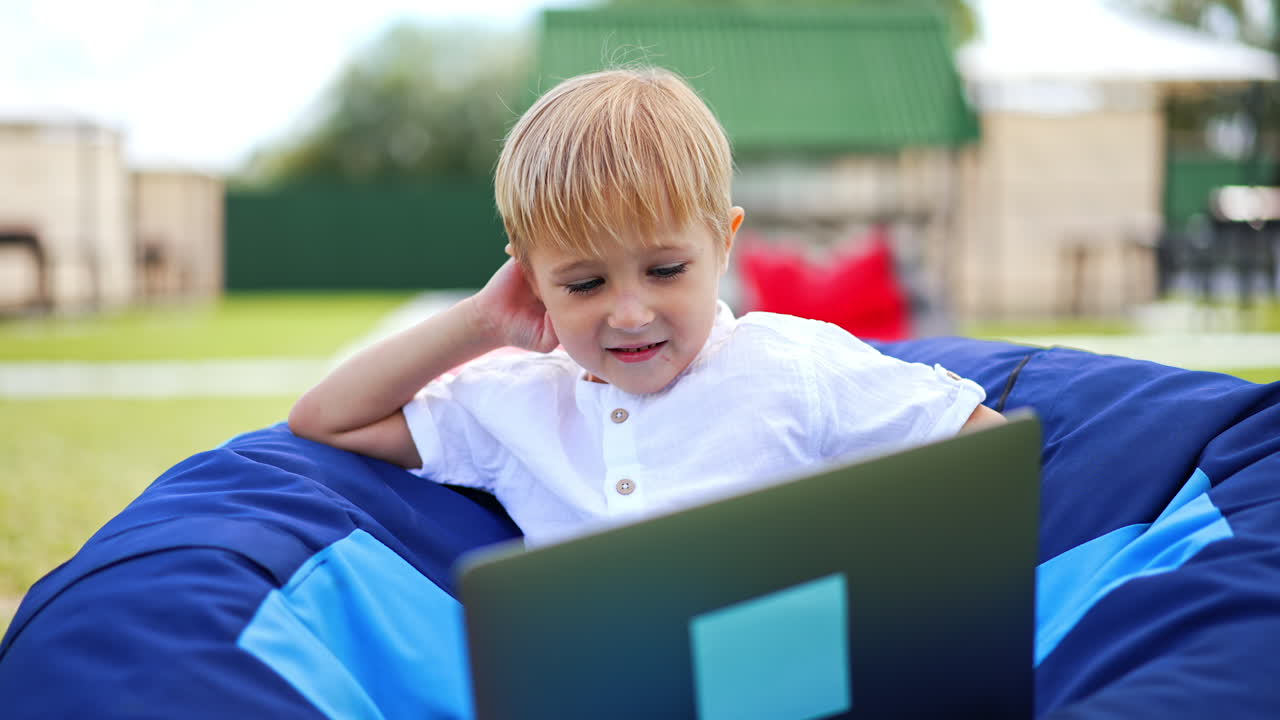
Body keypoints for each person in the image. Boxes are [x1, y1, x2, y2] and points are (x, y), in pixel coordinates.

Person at [288, 67, 1005, 546]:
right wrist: (480, 321)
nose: (630, 314)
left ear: (724, 247)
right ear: (531, 279)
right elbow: (324, 419)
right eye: (584, 284)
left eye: (665, 269)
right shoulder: (514, 403)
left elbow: (991, 447)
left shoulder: (793, 365)